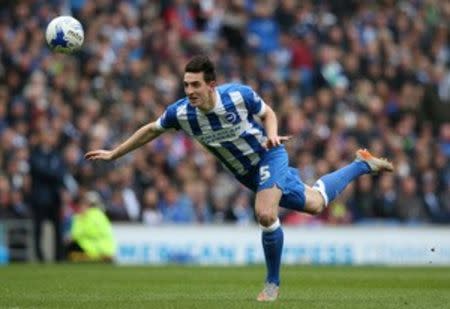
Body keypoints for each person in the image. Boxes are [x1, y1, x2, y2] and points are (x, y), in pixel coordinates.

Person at [85, 55, 394, 301]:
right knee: (316, 202)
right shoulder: (180, 114)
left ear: (212, 84)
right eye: (186, 85)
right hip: (246, 173)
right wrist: (115, 154)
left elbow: (269, 113)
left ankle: (272, 284)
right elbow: (151, 130)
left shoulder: (238, 95)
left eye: (195, 85)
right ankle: (362, 165)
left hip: (269, 156)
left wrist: (272, 136)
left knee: (264, 213)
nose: (189, 91)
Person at [29, 128, 66, 262]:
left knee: (58, 228)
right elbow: (41, 171)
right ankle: (40, 256)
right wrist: (54, 174)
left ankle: (59, 256)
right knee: (39, 228)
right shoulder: (35, 154)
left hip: (55, 197)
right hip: (40, 197)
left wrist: (54, 175)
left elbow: (61, 172)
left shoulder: (56, 154)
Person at [65, 190, 116, 262]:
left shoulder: (88, 216)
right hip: (106, 249)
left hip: (93, 250)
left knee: (70, 249)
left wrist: (72, 237)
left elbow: (80, 233)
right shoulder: (100, 215)